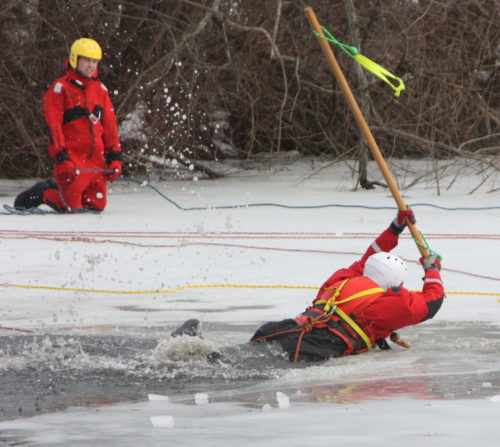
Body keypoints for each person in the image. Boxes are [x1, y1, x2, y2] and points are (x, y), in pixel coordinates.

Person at [250, 209, 445, 362]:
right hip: (317, 345)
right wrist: (433, 270)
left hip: (286, 329)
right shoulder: (387, 304)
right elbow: (431, 302)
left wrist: (394, 228)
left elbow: (371, 256)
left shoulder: (343, 280)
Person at [14, 38, 123, 212]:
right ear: (75, 59)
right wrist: (62, 158)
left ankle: (62, 190)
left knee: (96, 205)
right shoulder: (60, 88)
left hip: (96, 162)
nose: (91, 65)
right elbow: (54, 127)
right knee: (71, 207)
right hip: (73, 160)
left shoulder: (100, 90)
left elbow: (110, 127)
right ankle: (44, 192)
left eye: (94, 61)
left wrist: (115, 157)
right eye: (87, 60)